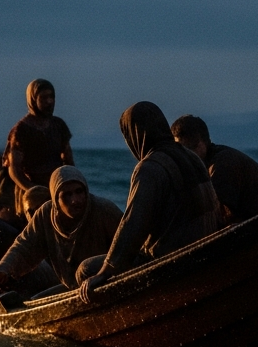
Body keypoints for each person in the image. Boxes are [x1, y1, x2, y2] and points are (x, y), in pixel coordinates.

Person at [78, 102, 220, 304]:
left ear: (135, 135)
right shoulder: (192, 157)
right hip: (205, 253)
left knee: (86, 269)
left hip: (169, 264)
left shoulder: (149, 168)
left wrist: (106, 270)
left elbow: (133, 225)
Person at [0, 165, 123, 298]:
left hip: (109, 281)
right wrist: (4, 268)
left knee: (85, 269)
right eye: (67, 195)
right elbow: (25, 247)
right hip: (73, 287)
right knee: (33, 307)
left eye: (79, 192)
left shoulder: (104, 210)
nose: (75, 200)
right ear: (55, 198)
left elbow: (130, 248)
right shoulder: (46, 214)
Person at [171, 114, 258, 225]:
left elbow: (213, 213)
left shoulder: (222, 163)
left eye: (187, 150)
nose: (183, 157)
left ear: (201, 144)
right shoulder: (206, 164)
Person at [5, 79, 73, 220]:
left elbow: (68, 161)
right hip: (30, 193)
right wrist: (35, 191)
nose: (49, 101)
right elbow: (14, 170)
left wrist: (70, 185)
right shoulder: (21, 130)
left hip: (56, 189)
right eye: (43, 98)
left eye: (51, 97)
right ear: (33, 99)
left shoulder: (58, 126)